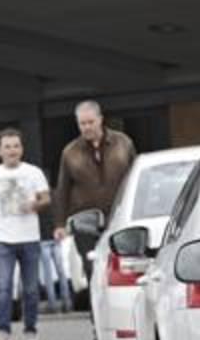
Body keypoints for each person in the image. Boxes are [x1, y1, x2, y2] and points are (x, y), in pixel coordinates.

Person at [0, 128, 51, 340]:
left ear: (22, 148)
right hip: (3, 240)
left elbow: (46, 198)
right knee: (4, 287)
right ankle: (3, 331)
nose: (12, 150)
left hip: (30, 239)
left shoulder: (33, 172)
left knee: (31, 289)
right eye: (7, 146)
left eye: (16, 146)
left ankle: (31, 328)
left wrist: (34, 204)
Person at [52, 100, 137, 280]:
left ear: (100, 119)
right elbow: (63, 189)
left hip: (120, 215)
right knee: (92, 268)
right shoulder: (70, 152)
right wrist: (60, 224)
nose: (87, 127)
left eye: (90, 122)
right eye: (82, 124)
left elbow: (136, 180)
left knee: (124, 265)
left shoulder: (123, 143)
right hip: (85, 220)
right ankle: (95, 306)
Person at [37, 202, 73, 313]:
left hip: (43, 240)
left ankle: (52, 304)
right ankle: (67, 302)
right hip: (55, 238)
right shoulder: (53, 201)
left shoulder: (36, 203)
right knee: (61, 272)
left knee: (48, 274)